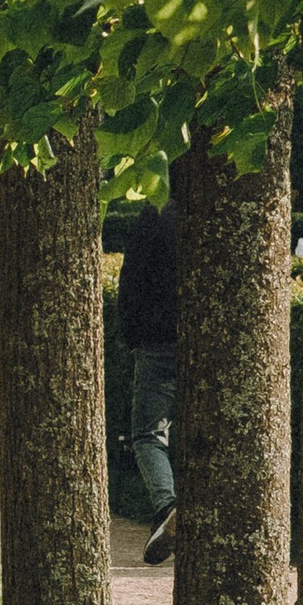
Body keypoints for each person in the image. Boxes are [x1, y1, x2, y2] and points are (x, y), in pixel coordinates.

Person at [118, 188, 178, 564]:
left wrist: (129, 332)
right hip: (207, 339)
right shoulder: (216, 213)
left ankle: (166, 506)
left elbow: (132, 279)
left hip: (157, 339)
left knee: (147, 435)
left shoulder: (153, 215)